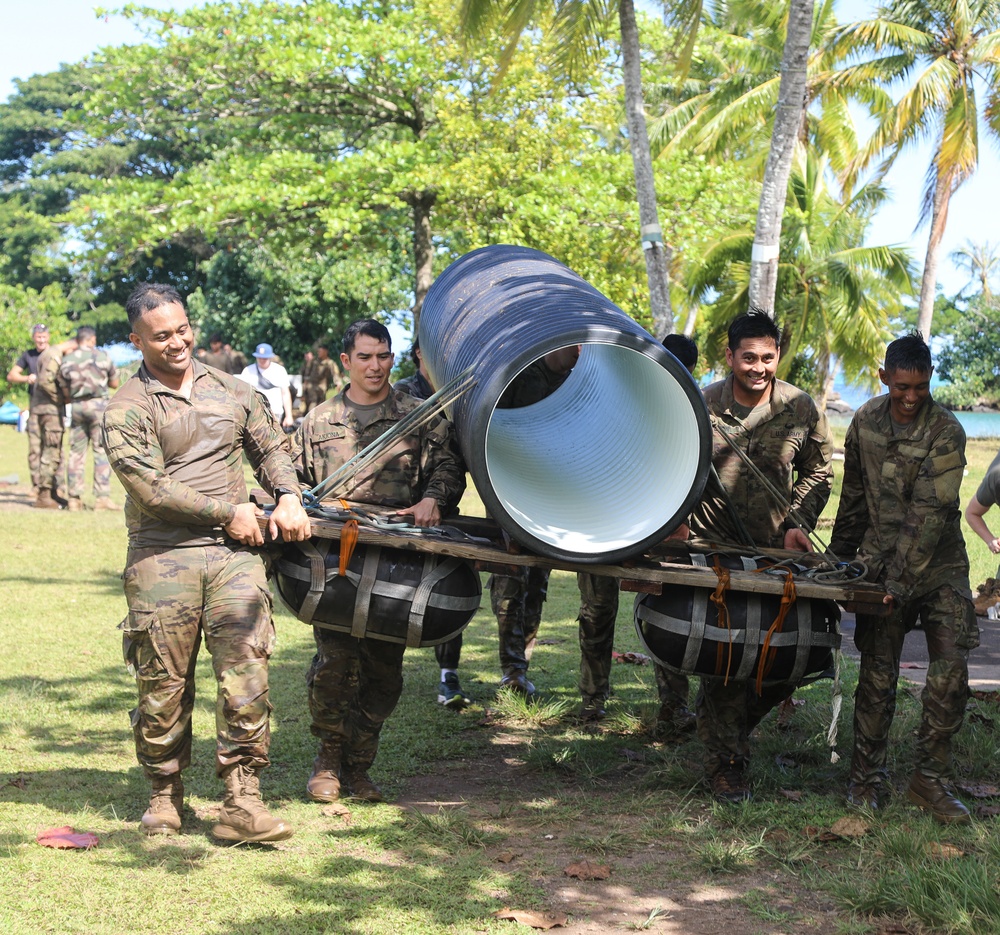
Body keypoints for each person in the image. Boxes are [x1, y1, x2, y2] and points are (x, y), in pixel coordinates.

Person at [102, 283, 311, 843]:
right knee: (163, 682)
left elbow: (271, 448)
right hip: (161, 557)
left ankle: (242, 800)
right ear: (136, 340)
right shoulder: (127, 407)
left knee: (246, 668)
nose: (177, 342)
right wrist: (228, 512)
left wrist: (287, 494)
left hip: (233, 559)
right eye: (162, 335)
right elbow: (151, 488)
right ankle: (164, 793)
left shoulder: (233, 389)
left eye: (183, 328)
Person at [294, 319, 465, 804]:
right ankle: (328, 759)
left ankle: (359, 765)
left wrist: (434, 498)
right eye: (365, 357)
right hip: (335, 561)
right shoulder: (319, 421)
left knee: (385, 672)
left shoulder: (419, 414)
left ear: (394, 358)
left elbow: (450, 467)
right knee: (334, 664)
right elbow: (291, 479)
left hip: (398, 559)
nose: (375, 366)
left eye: (383, 356)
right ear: (345, 361)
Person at [830, 333, 979, 824]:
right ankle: (865, 781)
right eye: (901, 387)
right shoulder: (864, 421)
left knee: (950, 675)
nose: (911, 397)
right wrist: (839, 563)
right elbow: (852, 499)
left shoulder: (946, 431)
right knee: (876, 676)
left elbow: (930, 514)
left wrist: (897, 584)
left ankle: (928, 782)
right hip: (879, 562)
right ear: (884, 378)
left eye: (920, 386)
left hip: (939, 568)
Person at [688, 310, 832, 802]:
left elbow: (818, 472)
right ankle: (726, 764)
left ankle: (719, 728)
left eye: (768, 358)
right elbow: (671, 463)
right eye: (748, 357)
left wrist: (798, 524)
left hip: (777, 554)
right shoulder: (700, 404)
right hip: (712, 552)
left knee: (786, 659)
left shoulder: (801, 407)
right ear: (729, 357)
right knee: (727, 656)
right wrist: (678, 521)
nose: (758, 367)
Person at [489, 346, 580, 697]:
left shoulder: (577, 383)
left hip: (550, 497)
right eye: (574, 344)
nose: (579, 351)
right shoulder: (519, 377)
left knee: (538, 581)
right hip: (508, 491)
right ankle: (511, 669)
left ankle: (521, 665)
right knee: (510, 580)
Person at [395, 336, 473, 709]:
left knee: (447, 585)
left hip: (444, 503)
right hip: (402, 508)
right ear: (418, 355)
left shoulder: (459, 393)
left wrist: (438, 497)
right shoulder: (402, 393)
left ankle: (448, 674)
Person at [650, 332, 701, 735]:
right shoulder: (645, 396)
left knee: (689, 617)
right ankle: (674, 707)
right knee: (670, 614)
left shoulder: (700, 406)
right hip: (658, 529)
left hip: (691, 534)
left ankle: (685, 708)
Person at [56, 326, 120, 511]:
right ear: (92, 339)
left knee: (76, 452)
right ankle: (101, 498)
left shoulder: (67, 360)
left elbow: (63, 387)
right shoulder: (103, 356)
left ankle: (74, 499)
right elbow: (115, 383)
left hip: (76, 406)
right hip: (98, 406)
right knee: (100, 450)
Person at [31, 335, 77, 509]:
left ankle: (52, 493)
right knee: (51, 452)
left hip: (44, 409)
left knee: (50, 450)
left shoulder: (48, 353)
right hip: (49, 411)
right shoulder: (55, 354)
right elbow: (45, 381)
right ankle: (44, 495)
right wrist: (61, 399)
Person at [6, 323, 50, 496]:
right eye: (38, 336)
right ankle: (36, 485)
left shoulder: (54, 354)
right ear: (34, 338)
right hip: (34, 405)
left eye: (44, 336)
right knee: (34, 447)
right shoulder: (28, 355)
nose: (41, 339)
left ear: (48, 337)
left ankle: (53, 485)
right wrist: (27, 378)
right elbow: (12, 375)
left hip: (53, 405)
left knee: (53, 446)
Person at [238, 343, 294, 429]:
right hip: (254, 414)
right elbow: (241, 393)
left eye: (264, 358)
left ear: (270, 357)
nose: (262, 360)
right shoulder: (247, 371)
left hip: (275, 413)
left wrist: (289, 416)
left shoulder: (279, 371)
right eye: (259, 357)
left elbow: (285, 394)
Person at [300, 344, 337, 413]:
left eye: (320, 351)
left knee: (320, 404)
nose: (318, 353)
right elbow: (307, 373)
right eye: (318, 351)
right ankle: (309, 419)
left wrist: (337, 383)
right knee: (312, 402)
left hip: (322, 387)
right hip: (311, 386)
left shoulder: (330, 363)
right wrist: (305, 384)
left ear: (326, 352)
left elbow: (335, 374)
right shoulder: (314, 361)